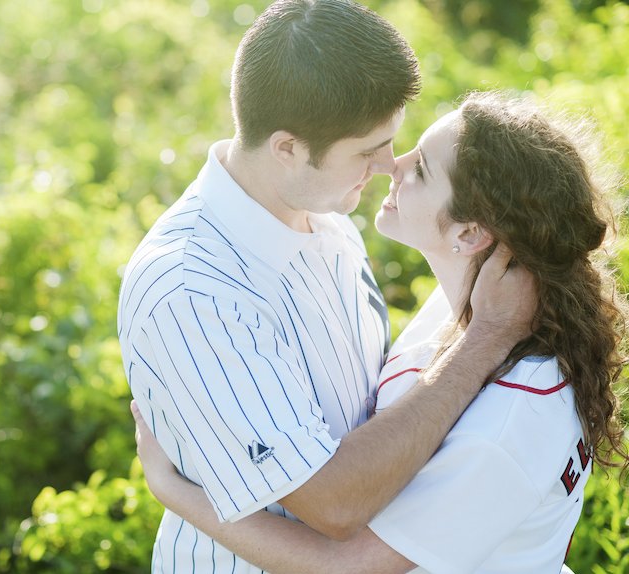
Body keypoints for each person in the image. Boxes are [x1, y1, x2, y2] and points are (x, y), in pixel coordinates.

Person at [132, 90, 629, 573]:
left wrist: (174, 491)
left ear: (469, 233)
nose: (394, 165)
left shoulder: (508, 410)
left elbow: (349, 566)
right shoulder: (461, 315)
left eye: (422, 169)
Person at [117, 0, 537, 571]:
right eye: (368, 150)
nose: (390, 166)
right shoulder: (193, 293)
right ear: (288, 148)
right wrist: (485, 339)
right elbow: (333, 505)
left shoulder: (331, 219)